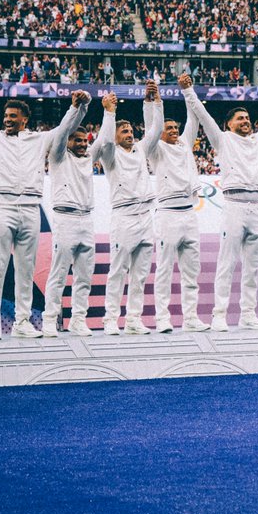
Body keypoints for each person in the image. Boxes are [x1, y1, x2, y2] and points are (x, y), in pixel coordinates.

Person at [0, 91, 91, 340]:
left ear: (24, 119)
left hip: (31, 208)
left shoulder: (40, 140)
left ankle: (22, 321)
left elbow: (64, 129)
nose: (7, 119)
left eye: (13, 116)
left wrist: (78, 107)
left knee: (25, 270)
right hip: (3, 207)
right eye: (6, 115)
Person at [182, 74, 258, 330]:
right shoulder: (222, 140)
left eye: (247, 118)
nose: (245, 122)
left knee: (253, 267)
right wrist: (189, 90)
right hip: (233, 205)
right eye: (239, 119)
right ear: (228, 124)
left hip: (257, 206)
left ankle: (248, 314)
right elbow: (203, 115)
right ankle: (219, 314)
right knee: (227, 262)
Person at [96, 83, 163, 336]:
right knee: (117, 271)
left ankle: (134, 318)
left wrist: (155, 102)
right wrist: (109, 113)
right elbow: (103, 141)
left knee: (140, 274)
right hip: (123, 216)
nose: (129, 133)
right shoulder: (110, 155)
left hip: (146, 216)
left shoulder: (140, 149)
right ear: (115, 135)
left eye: (130, 130)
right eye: (123, 131)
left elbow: (156, 130)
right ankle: (110, 318)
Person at [148, 77, 210, 334]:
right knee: (164, 269)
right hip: (167, 214)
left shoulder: (185, 145)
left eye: (175, 127)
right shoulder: (155, 149)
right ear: (160, 131)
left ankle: (191, 316)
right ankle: (162, 317)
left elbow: (193, 119)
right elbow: (151, 126)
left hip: (188, 213)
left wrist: (188, 92)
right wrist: (156, 101)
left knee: (191, 270)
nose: (173, 130)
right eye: (168, 127)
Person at [41, 94, 99, 338]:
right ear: (67, 142)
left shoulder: (88, 159)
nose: (83, 144)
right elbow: (63, 130)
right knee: (58, 274)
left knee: (84, 276)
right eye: (77, 140)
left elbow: (105, 139)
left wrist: (95, 107)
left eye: (84, 140)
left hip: (87, 219)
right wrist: (78, 108)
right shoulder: (58, 156)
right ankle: (49, 320)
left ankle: (78, 320)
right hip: (65, 219)